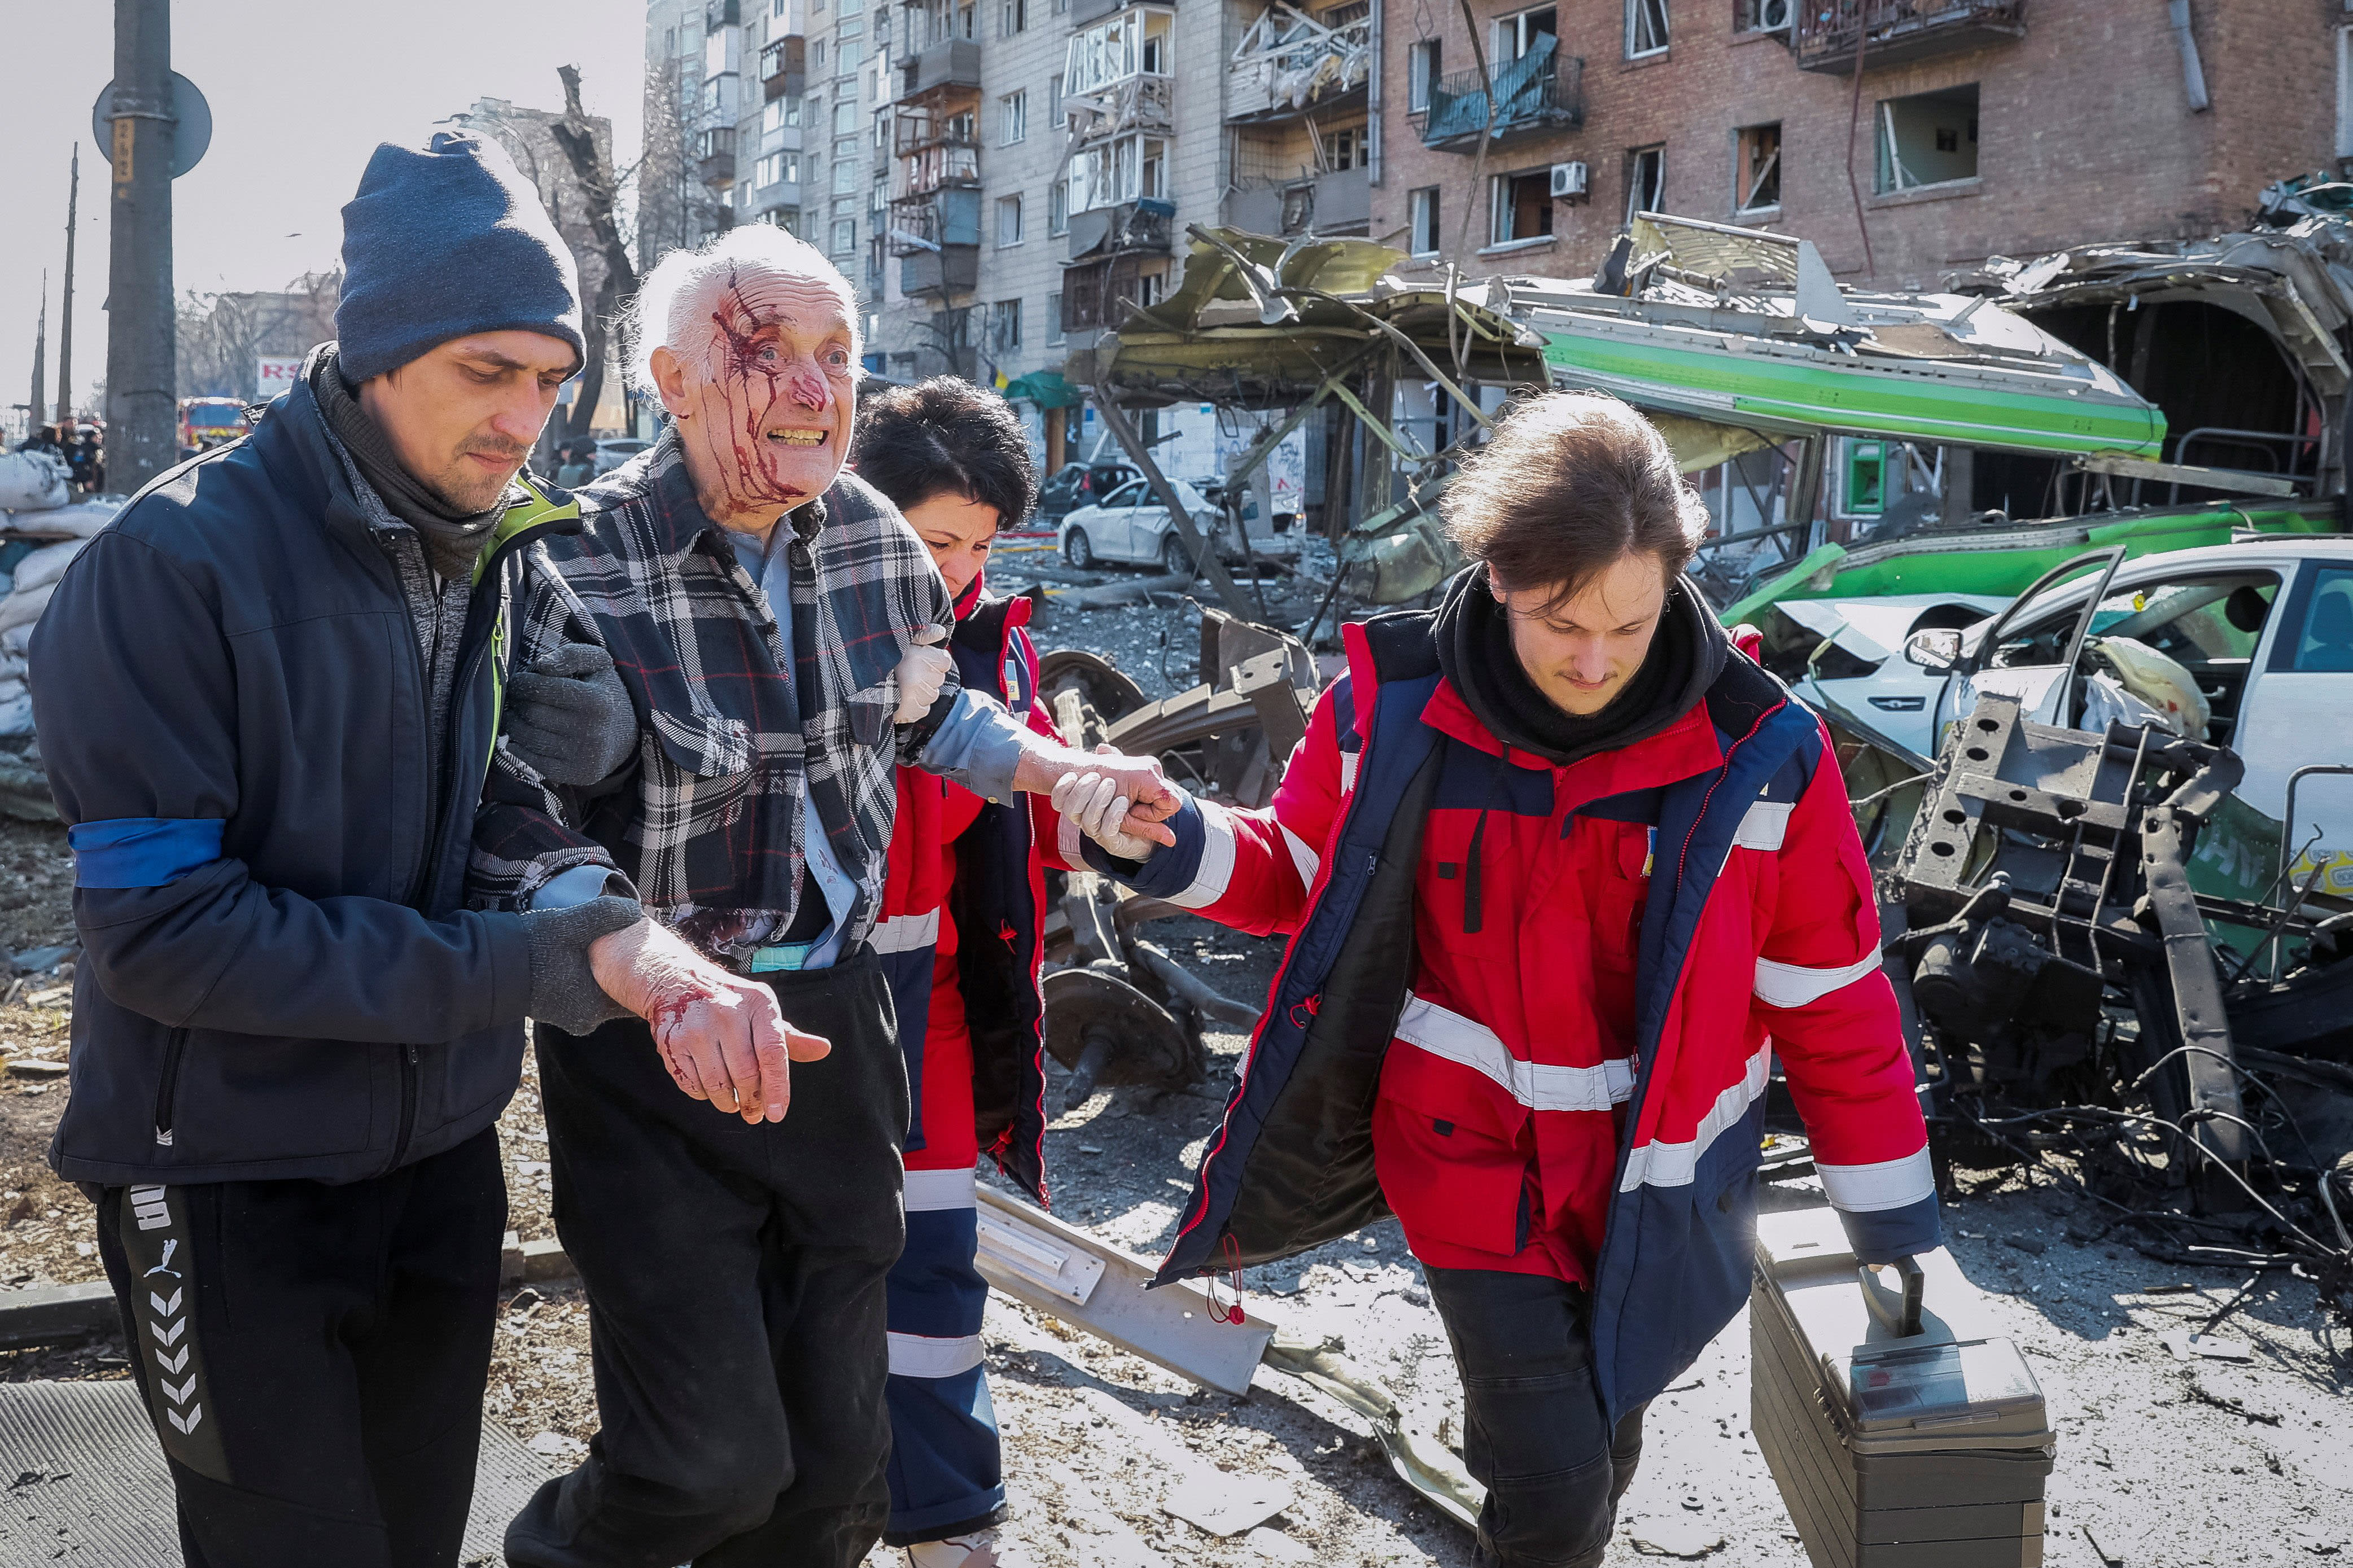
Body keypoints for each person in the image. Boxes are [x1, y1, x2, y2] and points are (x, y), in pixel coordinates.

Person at [28, 129, 784, 1568]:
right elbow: (165, 933)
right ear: (373, 351)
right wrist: (532, 967)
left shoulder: (485, 548)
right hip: (220, 1180)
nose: (525, 421)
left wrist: (616, 925)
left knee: (419, 1542)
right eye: (484, 372)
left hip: (438, 1161)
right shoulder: (170, 565)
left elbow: (485, 803)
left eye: (551, 381)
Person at [1052, 392, 1938, 1568]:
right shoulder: (1394, 709)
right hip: (1466, 1168)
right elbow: (1293, 874)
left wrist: (1886, 1218)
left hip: (1659, 1190)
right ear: (1498, 571)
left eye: (1628, 625)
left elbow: (1830, 1002)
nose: (1593, 659)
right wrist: (1158, 838)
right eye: (1561, 621)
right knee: (1556, 1490)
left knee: (1603, 1440)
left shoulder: (1760, 756)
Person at [473, 224, 1178, 1568]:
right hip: (651, 1042)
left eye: (837, 356)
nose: (814, 386)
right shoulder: (567, 565)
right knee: (699, 1470)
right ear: (673, 383)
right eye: (770, 353)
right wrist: (646, 954)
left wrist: (1060, 770)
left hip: (843, 1032)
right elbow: (508, 829)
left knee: (837, 1480)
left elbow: (925, 715)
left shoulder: (867, 535)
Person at [854, 379, 1067, 1568]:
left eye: (980, 545)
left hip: (932, 993)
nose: (956, 569)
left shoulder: (996, 639)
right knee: (810, 1264)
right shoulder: (798, 620)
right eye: (935, 541)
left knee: (935, 1271)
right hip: (804, 992)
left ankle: (947, 1520)